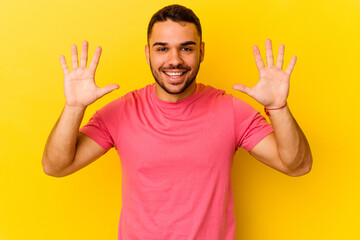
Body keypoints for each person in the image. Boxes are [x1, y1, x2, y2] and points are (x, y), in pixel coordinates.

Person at [42, 4, 312, 240]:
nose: (175, 60)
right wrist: (73, 107)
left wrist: (278, 107)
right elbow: (56, 166)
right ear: (148, 53)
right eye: (163, 49)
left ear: (202, 52)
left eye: (186, 48)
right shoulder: (122, 111)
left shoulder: (230, 110)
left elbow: (297, 165)